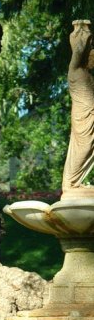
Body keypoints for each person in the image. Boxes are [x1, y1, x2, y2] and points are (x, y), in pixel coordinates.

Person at [62, 20, 94, 193]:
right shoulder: (74, 70)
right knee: (83, 147)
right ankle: (70, 184)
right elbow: (78, 51)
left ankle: (75, 182)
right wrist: (83, 34)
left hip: (90, 115)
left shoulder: (88, 75)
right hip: (83, 117)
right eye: (91, 56)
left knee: (88, 148)